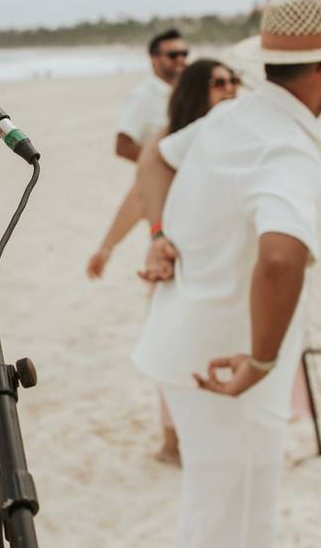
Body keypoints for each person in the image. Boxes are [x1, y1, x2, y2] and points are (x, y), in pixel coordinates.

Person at [133, 0, 321, 547]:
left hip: (186, 347)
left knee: (210, 511)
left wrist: (159, 234)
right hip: (227, 369)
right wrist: (263, 362)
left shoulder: (236, 115)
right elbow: (280, 255)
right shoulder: (285, 146)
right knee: (235, 527)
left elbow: (156, 155)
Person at [89, 59, 240, 465]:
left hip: (218, 260)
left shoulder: (233, 138)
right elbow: (139, 196)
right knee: (175, 350)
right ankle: (172, 443)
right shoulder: (168, 140)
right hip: (171, 257)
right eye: (219, 83)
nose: (230, 89)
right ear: (196, 90)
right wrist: (108, 246)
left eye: (234, 81)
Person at [115, 29, 190, 162]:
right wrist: (160, 166)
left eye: (184, 54)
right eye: (173, 55)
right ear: (154, 58)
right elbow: (123, 146)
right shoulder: (142, 96)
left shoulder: (188, 92)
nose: (180, 59)